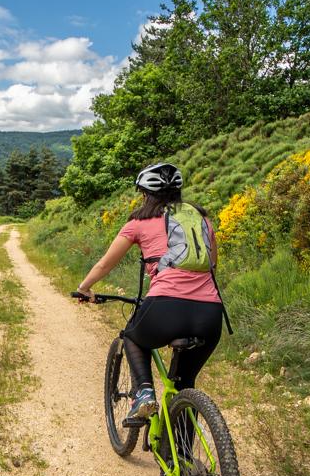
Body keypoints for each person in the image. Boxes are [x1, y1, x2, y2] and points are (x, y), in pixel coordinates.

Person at [75, 163, 223, 425]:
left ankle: (143, 394)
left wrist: (84, 289)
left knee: (132, 337)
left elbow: (105, 265)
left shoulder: (139, 222)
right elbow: (212, 264)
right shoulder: (201, 219)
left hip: (166, 305)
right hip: (210, 313)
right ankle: (181, 448)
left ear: (145, 194)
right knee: (185, 384)